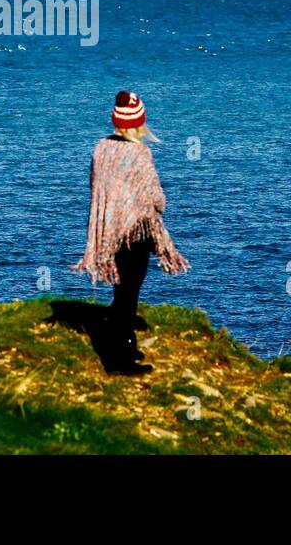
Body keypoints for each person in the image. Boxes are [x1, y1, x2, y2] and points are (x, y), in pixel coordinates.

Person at [74, 91, 189, 373]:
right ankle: (118, 360)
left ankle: (126, 340)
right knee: (130, 290)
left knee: (122, 287)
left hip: (110, 229)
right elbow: (156, 197)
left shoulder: (101, 148)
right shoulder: (139, 153)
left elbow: (97, 185)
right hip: (136, 231)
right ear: (139, 123)